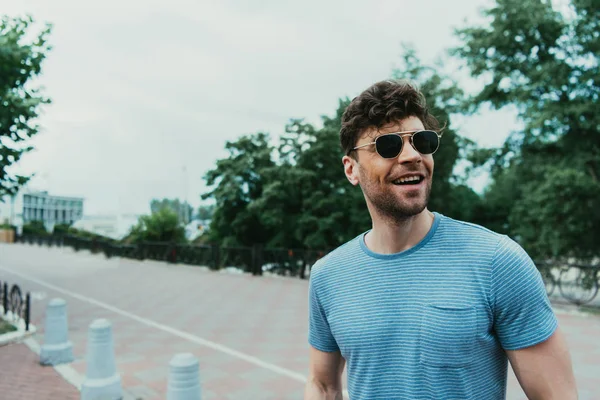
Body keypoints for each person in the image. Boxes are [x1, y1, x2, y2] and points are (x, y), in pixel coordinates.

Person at [304, 80, 577, 400]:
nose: (411, 155)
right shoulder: (328, 276)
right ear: (351, 169)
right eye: (388, 145)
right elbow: (322, 384)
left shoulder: (497, 261)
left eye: (422, 141)